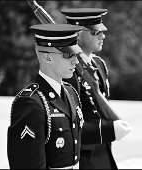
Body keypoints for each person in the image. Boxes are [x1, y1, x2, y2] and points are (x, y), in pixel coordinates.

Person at [7, 23, 85, 169]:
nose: (75, 60)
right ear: (47, 57)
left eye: (75, 54)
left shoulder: (71, 93)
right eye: (68, 55)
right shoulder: (31, 103)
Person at [61, 8, 131, 169]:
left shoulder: (99, 64)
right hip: (82, 158)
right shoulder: (68, 70)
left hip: (103, 153)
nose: (103, 35)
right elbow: (67, 124)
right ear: (77, 33)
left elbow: (101, 107)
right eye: (95, 32)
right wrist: (108, 130)